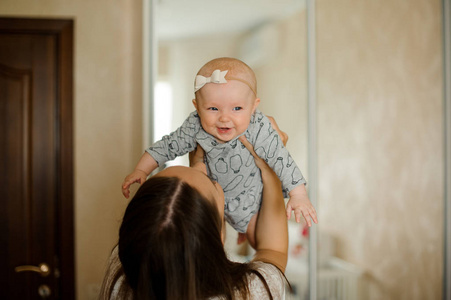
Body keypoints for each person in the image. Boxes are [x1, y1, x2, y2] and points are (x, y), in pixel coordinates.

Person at [122, 57, 317, 247]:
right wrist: (142, 170)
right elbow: (166, 146)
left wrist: (298, 194)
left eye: (237, 108)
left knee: (260, 242)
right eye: (213, 108)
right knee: (205, 241)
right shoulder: (194, 126)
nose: (225, 118)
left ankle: (243, 230)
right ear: (197, 107)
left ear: (253, 107)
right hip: (214, 200)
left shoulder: (258, 126)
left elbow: (281, 158)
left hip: (251, 200)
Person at [100, 134, 290, 299]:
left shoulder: (120, 277)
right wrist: (270, 167)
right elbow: (273, 250)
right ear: (219, 238)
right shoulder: (252, 292)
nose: (201, 166)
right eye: (211, 180)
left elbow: (188, 221)